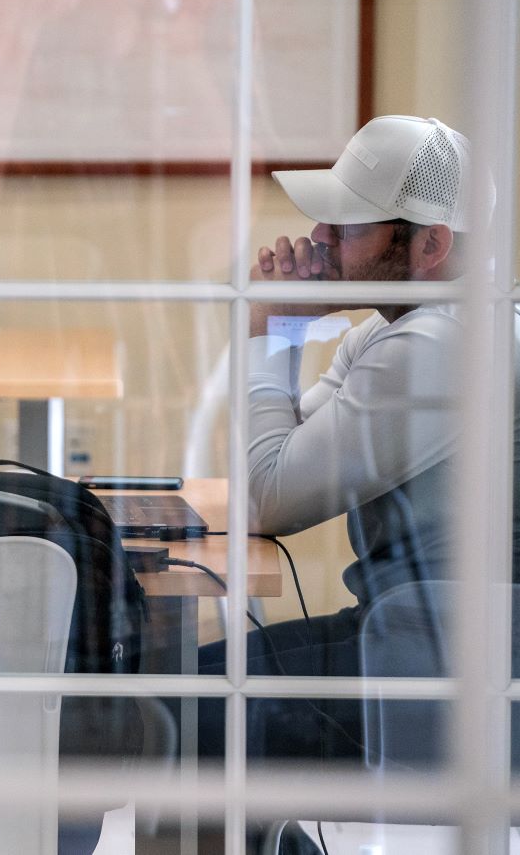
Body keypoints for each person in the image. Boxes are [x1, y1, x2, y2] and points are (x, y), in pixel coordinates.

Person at [198, 115, 510, 767]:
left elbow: (267, 498)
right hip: (421, 638)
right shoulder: (395, 331)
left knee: (179, 707)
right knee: (188, 694)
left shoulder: (440, 345)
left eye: (347, 225)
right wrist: (274, 329)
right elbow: (285, 454)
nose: (319, 239)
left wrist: (268, 329)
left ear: (431, 244)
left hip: (445, 669)